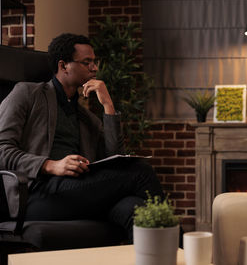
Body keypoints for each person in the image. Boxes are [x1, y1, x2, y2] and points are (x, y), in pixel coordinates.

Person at [0, 33, 164, 242]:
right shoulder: (27, 94)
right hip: (36, 193)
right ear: (64, 65)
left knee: (137, 209)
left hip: (77, 191)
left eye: (94, 62)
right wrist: (50, 165)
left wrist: (108, 106)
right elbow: (2, 150)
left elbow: (116, 159)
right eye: (87, 62)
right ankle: (186, 255)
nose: (94, 68)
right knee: (140, 172)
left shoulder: (87, 118)